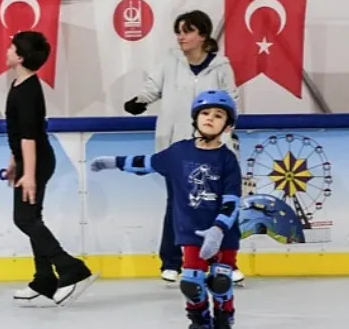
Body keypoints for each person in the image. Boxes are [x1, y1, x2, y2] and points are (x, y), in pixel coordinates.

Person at [90, 90, 242, 329]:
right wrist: (114, 162)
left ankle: (224, 320)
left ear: (227, 125)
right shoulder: (179, 152)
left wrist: (218, 229)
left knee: (220, 282)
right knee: (192, 283)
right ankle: (200, 321)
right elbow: (146, 163)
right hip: (192, 232)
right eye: (205, 113)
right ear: (195, 118)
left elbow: (232, 201)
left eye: (218, 115)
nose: (210, 118)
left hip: (223, 235)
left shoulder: (227, 160)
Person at [122, 10, 245, 285]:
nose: (181, 37)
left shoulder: (221, 66)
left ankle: (226, 261)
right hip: (179, 146)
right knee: (178, 204)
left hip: (214, 149)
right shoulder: (170, 61)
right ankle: (171, 261)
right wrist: (140, 100)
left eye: (187, 31)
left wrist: (227, 134)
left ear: (202, 35)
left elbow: (233, 100)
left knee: (223, 203)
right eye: (178, 31)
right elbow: (153, 86)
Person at [4, 31, 98, 307]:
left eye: (11, 48)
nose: (7, 50)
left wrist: (29, 173)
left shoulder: (29, 89)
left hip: (37, 160)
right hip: (27, 158)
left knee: (24, 219)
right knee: (32, 217)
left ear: (20, 56)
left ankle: (70, 267)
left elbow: (30, 136)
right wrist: (14, 160)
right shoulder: (19, 83)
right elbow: (17, 131)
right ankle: (44, 277)